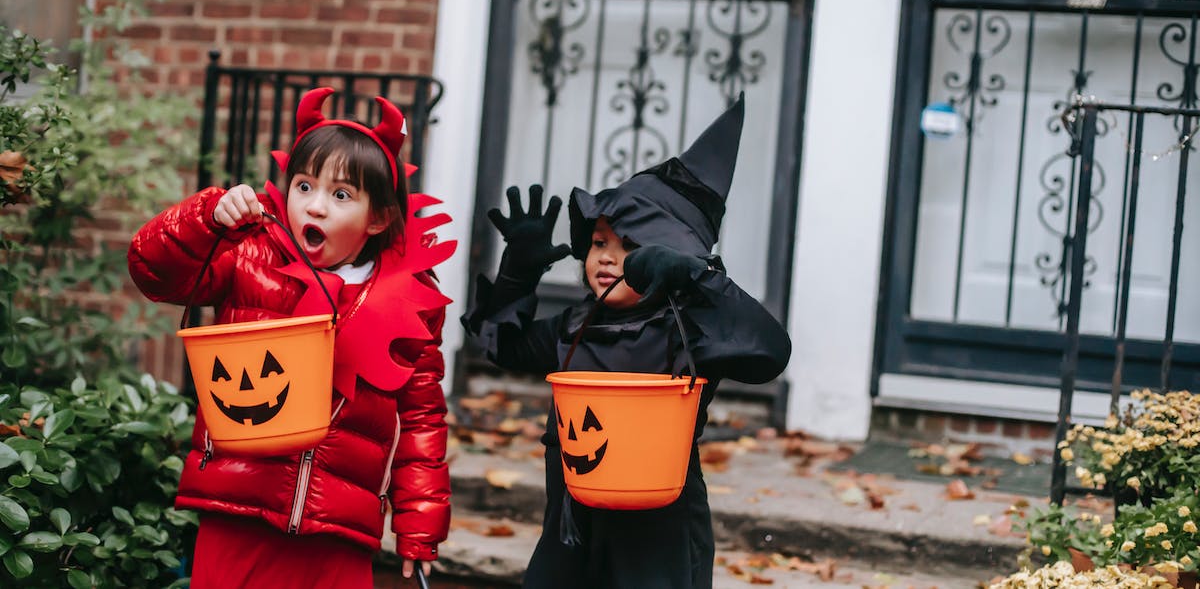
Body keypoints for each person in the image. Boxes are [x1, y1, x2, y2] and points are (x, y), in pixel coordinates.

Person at [128, 87, 455, 588]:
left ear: (379, 217)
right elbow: (155, 272)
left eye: (341, 195)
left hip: (337, 529)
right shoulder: (249, 255)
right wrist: (207, 218)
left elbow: (423, 417)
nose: (316, 207)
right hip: (238, 507)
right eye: (305, 187)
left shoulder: (410, 300)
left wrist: (420, 521)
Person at [463, 94, 791, 589]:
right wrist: (517, 273)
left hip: (655, 544)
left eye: (630, 246)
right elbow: (502, 348)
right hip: (570, 535)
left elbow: (769, 353)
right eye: (598, 242)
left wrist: (699, 280)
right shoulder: (573, 326)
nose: (607, 258)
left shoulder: (691, 332)